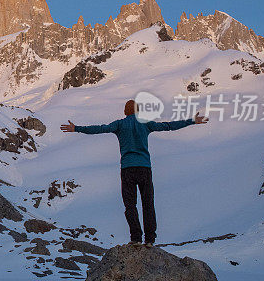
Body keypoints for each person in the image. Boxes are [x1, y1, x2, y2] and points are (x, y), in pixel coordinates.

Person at [60, 99, 208, 247]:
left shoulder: (119, 124)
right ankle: (150, 240)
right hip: (144, 168)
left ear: (125, 112)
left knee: (130, 205)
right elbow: (168, 126)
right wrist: (192, 121)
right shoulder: (145, 123)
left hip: (127, 169)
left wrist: (76, 128)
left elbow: (100, 128)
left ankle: (136, 237)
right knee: (148, 204)